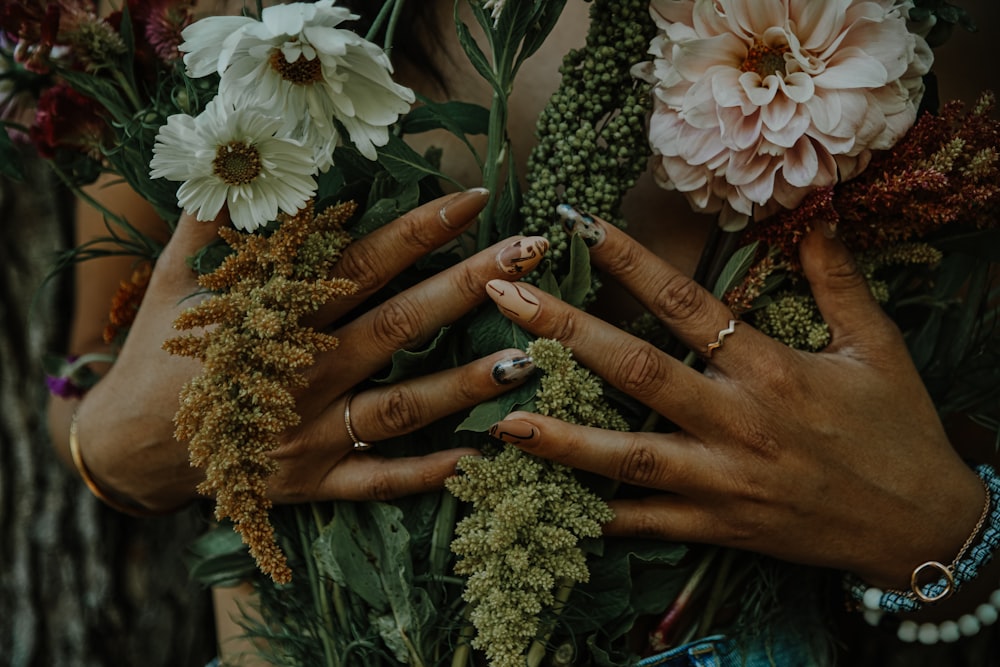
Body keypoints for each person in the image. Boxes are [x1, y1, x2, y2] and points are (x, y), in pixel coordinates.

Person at [45, 0, 999, 665]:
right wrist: (114, 450)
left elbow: (943, 450)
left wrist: (943, 539)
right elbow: (95, 357)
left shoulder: (902, 35)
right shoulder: (222, 19)